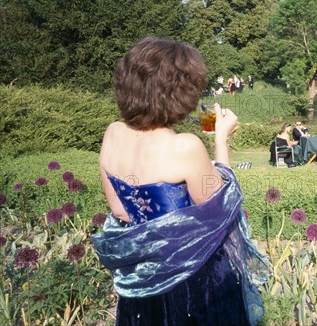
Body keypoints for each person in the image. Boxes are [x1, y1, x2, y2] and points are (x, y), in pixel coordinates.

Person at [91, 37, 267, 326]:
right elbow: (220, 207)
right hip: (191, 281)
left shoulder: (112, 132)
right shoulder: (184, 146)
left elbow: (120, 211)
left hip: (142, 282)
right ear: (182, 93)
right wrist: (221, 139)